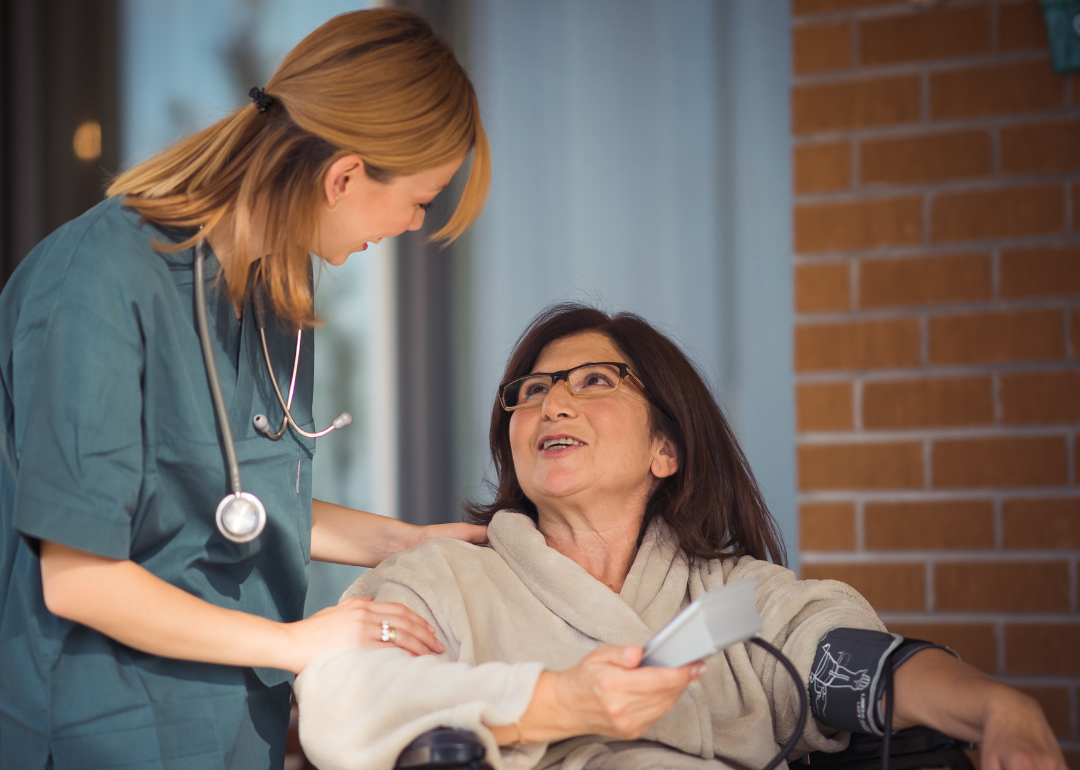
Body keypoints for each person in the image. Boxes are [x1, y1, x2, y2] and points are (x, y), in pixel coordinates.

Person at [0, 9, 490, 769]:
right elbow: (79, 579)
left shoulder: (270, 298)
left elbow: (240, 503)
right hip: (101, 729)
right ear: (346, 175)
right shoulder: (99, 282)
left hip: (234, 732)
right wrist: (296, 643)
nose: (414, 223)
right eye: (421, 199)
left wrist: (405, 542)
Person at [294, 304, 1065, 770]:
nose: (551, 402)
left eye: (593, 381)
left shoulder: (734, 595)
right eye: (530, 393)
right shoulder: (445, 580)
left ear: (667, 449)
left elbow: (847, 660)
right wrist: (559, 703)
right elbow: (339, 701)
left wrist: (999, 710)